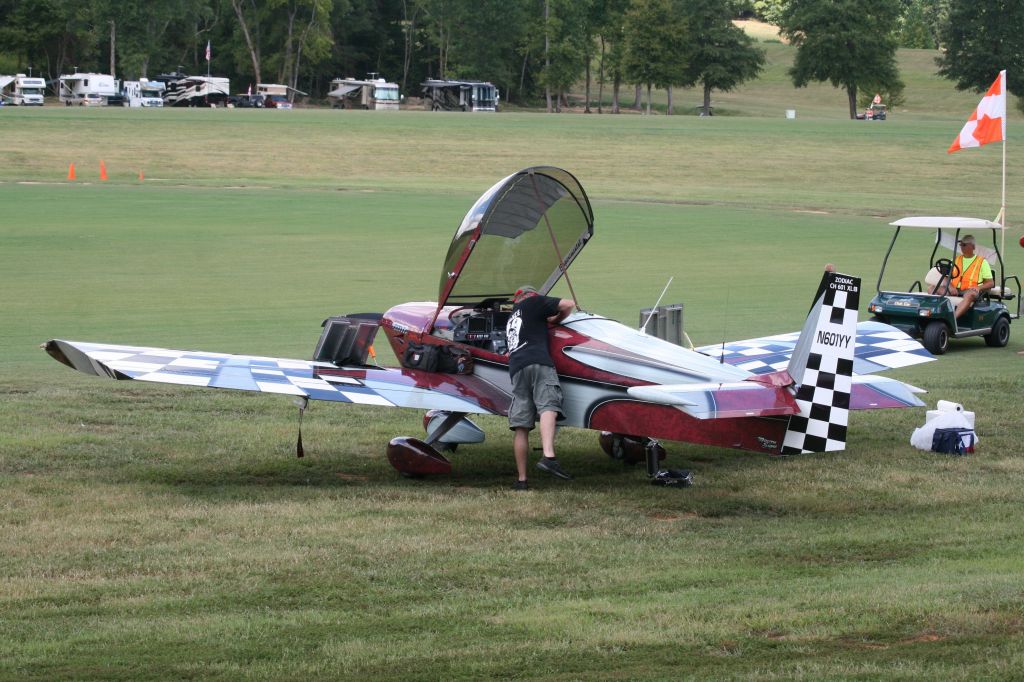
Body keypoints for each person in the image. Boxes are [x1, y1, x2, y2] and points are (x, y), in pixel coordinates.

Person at [505, 285, 575, 490]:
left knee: (521, 426)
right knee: (548, 407)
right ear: (531, 296)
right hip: (538, 362)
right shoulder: (534, 302)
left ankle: (522, 480)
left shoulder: (511, 319)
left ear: (516, 300)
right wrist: (555, 320)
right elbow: (569, 304)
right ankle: (548, 456)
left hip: (516, 369)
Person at [928, 235, 994, 321]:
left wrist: (979, 287)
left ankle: (952, 319)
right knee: (931, 289)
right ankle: (934, 315)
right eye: (961, 245)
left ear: (973, 246)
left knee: (969, 295)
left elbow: (990, 283)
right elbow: (945, 276)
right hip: (955, 289)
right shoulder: (955, 260)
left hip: (971, 290)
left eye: (964, 245)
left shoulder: (982, 262)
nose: (962, 247)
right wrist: (950, 286)